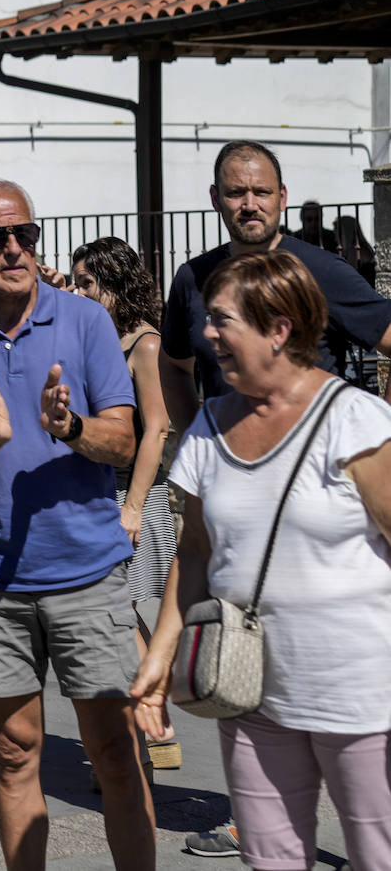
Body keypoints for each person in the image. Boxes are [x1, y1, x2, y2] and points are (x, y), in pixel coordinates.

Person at [0, 180, 154, 871]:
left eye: (26, 235)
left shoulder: (85, 322)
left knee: (114, 751)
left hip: (88, 575)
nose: (14, 249)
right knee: (16, 751)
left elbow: (125, 440)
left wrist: (69, 428)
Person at [132, 249, 391, 871]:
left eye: (223, 321)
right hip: (247, 691)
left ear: (278, 330)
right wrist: (161, 659)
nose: (207, 335)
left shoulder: (356, 423)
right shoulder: (207, 430)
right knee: (271, 859)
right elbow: (194, 553)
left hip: (360, 695)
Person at [160, 141, 391, 432]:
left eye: (261, 192)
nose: (250, 205)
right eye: (235, 193)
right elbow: (173, 365)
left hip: (311, 470)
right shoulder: (192, 277)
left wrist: (381, 438)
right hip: (228, 469)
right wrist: (195, 437)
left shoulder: (323, 272)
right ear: (215, 199)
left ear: (281, 197)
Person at [70, 237, 179, 770]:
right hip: (97, 493)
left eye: (88, 282)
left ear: (115, 283)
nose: (80, 291)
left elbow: (157, 429)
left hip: (130, 495)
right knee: (111, 612)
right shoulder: (99, 334)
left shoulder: (146, 344)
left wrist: (132, 507)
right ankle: (140, 731)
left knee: (114, 611)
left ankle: (152, 726)